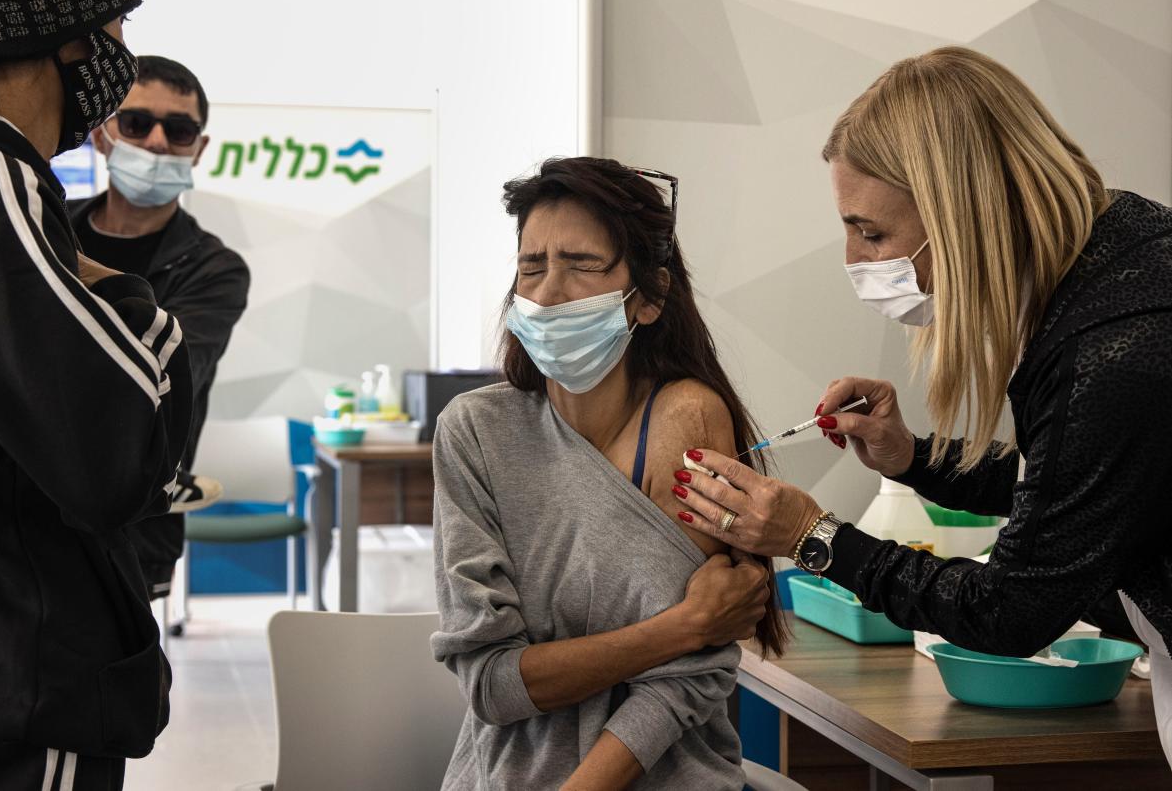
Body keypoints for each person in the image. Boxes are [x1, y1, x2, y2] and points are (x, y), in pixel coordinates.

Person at [673, 47, 1172, 762]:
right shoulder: (1119, 250)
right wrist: (914, 460)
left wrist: (814, 537)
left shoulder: (1115, 345)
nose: (854, 259)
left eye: (870, 231)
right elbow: (1086, 489)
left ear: (962, 208)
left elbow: (1009, 613)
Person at [431, 157, 783, 790]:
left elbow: (688, 678)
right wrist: (683, 626)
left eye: (581, 265)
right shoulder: (476, 431)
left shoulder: (686, 419)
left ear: (649, 298)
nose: (545, 291)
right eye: (531, 266)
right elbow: (492, 685)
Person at [0, 0, 193, 789]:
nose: (122, 52)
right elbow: (115, 453)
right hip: (20, 672)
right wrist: (120, 289)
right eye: (117, 29)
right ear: (74, 37)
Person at [72, 55, 250, 600]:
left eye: (178, 130)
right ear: (102, 135)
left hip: (137, 524)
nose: (154, 142)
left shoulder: (215, 269)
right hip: (10, 513)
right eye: (135, 123)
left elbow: (161, 379)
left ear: (198, 148)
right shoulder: (43, 221)